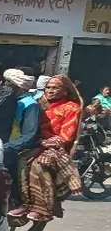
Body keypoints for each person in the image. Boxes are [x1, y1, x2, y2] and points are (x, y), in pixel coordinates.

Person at [9, 75, 84, 222]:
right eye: (48, 87)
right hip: (35, 142)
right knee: (16, 160)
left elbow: (66, 136)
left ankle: (41, 208)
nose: (50, 91)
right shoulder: (38, 104)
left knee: (39, 165)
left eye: (55, 88)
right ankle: (22, 202)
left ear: (65, 91)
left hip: (55, 147)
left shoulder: (71, 107)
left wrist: (45, 141)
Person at [2, 68, 40, 206]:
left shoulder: (30, 104)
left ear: (17, 86)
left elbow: (29, 135)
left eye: (8, 84)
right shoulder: (11, 101)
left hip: (18, 148)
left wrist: (8, 147)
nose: (5, 87)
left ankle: (16, 201)